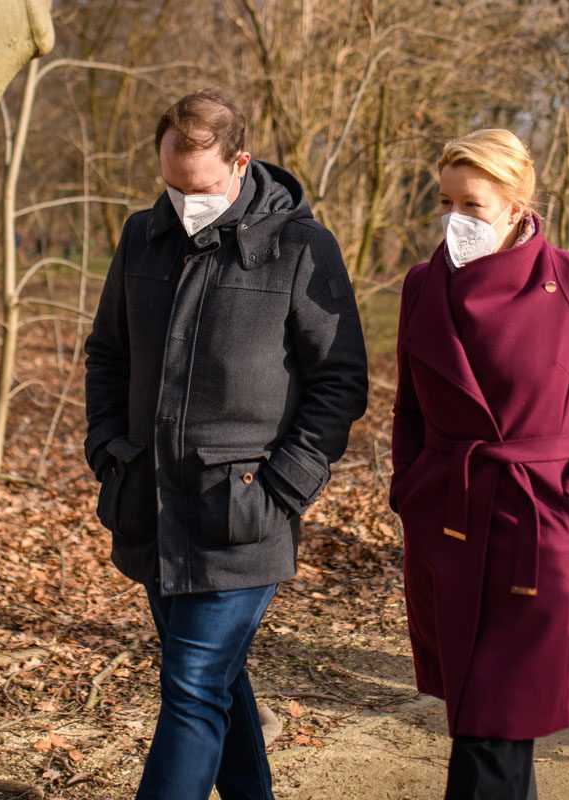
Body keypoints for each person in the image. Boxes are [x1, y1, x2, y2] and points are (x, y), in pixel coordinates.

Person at [83, 88, 368, 799]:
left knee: (191, 686)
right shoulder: (141, 235)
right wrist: (106, 449)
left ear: (240, 162)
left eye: (201, 186)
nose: (184, 201)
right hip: (149, 504)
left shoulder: (301, 247)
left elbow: (339, 380)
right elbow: (108, 353)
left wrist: (282, 489)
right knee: (212, 680)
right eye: (171, 185)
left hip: (243, 515)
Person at [390, 129, 569, 799]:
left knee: (491, 732)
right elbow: (409, 409)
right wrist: (409, 491)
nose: (454, 221)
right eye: (444, 202)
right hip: (449, 522)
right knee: (484, 727)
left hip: (539, 531)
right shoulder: (422, 286)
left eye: (471, 205)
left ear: (516, 202)